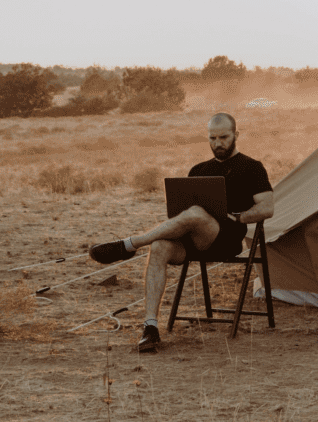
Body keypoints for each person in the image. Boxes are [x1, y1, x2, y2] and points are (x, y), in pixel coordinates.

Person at [88, 112, 273, 352]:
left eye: (224, 137)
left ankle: (131, 244)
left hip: (226, 238)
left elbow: (267, 208)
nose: (218, 143)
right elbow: (181, 216)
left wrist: (239, 217)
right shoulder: (198, 169)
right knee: (159, 247)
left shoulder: (252, 167)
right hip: (193, 239)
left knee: (195, 212)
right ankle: (151, 328)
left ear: (236, 135)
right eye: (212, 138)